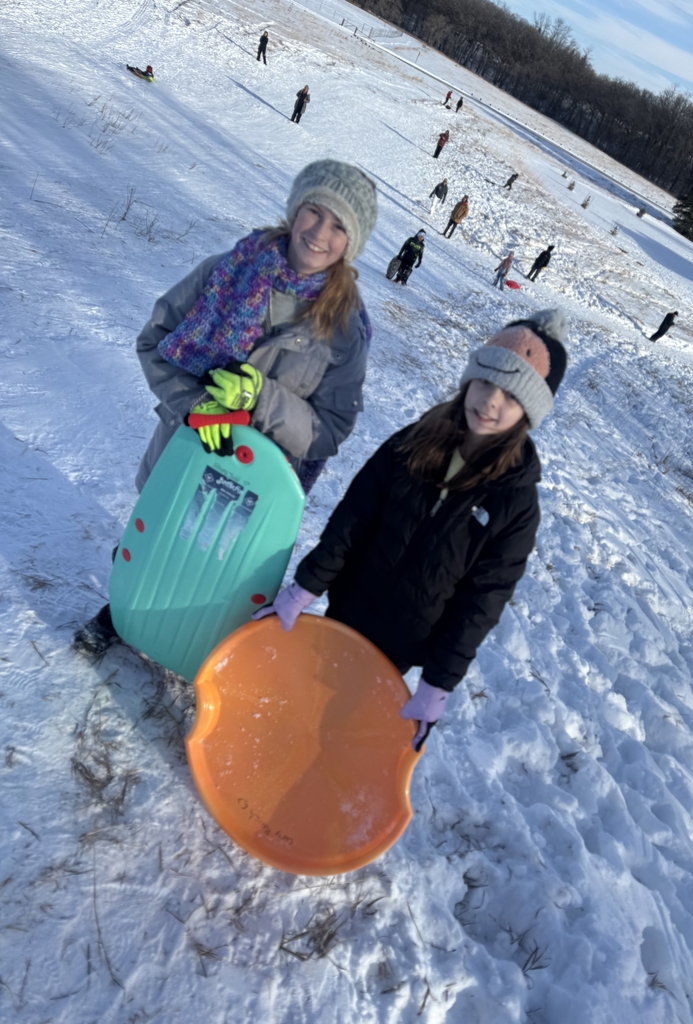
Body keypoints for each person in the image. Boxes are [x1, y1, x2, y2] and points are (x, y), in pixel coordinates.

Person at [72, 160, 378, 658]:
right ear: (295, 209)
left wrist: (261, 397)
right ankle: (120, 613)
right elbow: (154, 343)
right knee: (157, 541)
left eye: (339, 225)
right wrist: (198, 408)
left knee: (213, 567)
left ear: (352, 242)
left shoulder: (345, 331)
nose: (320, 233)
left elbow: (329, 431)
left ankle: (195, 650)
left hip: (253, 483)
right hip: (184, 451)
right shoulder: (226, 270)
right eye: (314, 211)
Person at [255, 309, 569, 750]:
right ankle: (283, 739)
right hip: (348, 606)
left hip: (407, 639)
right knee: (310, 690)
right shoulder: (417, 439)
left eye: (510, 396)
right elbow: (353, 519)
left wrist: (438, 683)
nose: (490, 402)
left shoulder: (514, 504)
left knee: (344, 718)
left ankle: (321, 755)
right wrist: (306, 587)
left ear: (529, 412)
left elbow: (482, 601)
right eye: (485, 382)